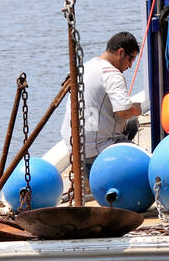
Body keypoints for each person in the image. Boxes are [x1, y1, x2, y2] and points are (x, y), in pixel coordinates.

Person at [60, 31, 142, 168]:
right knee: (144, 164)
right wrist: (135, 109)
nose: (130, 66)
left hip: (74, 146)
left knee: (132, 124)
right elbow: (124, 110)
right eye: (130, 59)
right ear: (120, 52)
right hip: (97, 150)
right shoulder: (112, 74)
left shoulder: (86, 66)